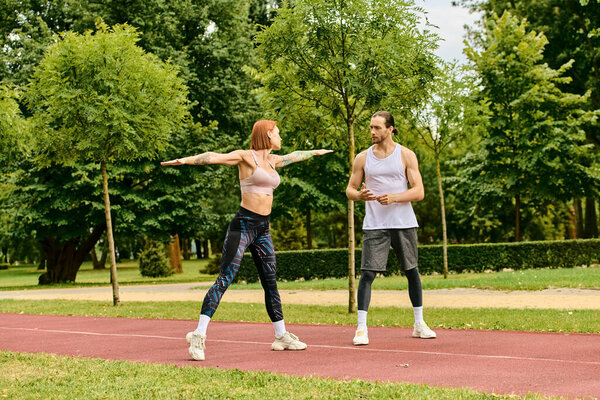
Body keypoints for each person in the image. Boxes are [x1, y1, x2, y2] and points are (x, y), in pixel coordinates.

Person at [161, 120, 332, 360]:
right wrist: (184, 161)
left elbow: (295, 156)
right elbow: (213, 157)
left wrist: (315, 152)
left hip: (263, 228)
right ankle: (198, 335)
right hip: (243, 226)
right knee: (226, 277)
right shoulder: (245, 157)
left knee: (270, 281)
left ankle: (281, 335)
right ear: (267, 134)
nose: (280, 138)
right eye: (278, 133)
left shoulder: (272, 161)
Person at [345, 111, 436, 346]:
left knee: (411, 271)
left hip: (404, 222)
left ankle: (419, 324)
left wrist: (394, 197)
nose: (372, 132)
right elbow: (350, 190)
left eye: (377, 128)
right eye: (370, 128)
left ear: (390, 129)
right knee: (367, 274)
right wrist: (360, 195)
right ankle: (361, 329)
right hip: (375, 224)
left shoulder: (406, 155)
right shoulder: (362, 158)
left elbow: (419, 192)